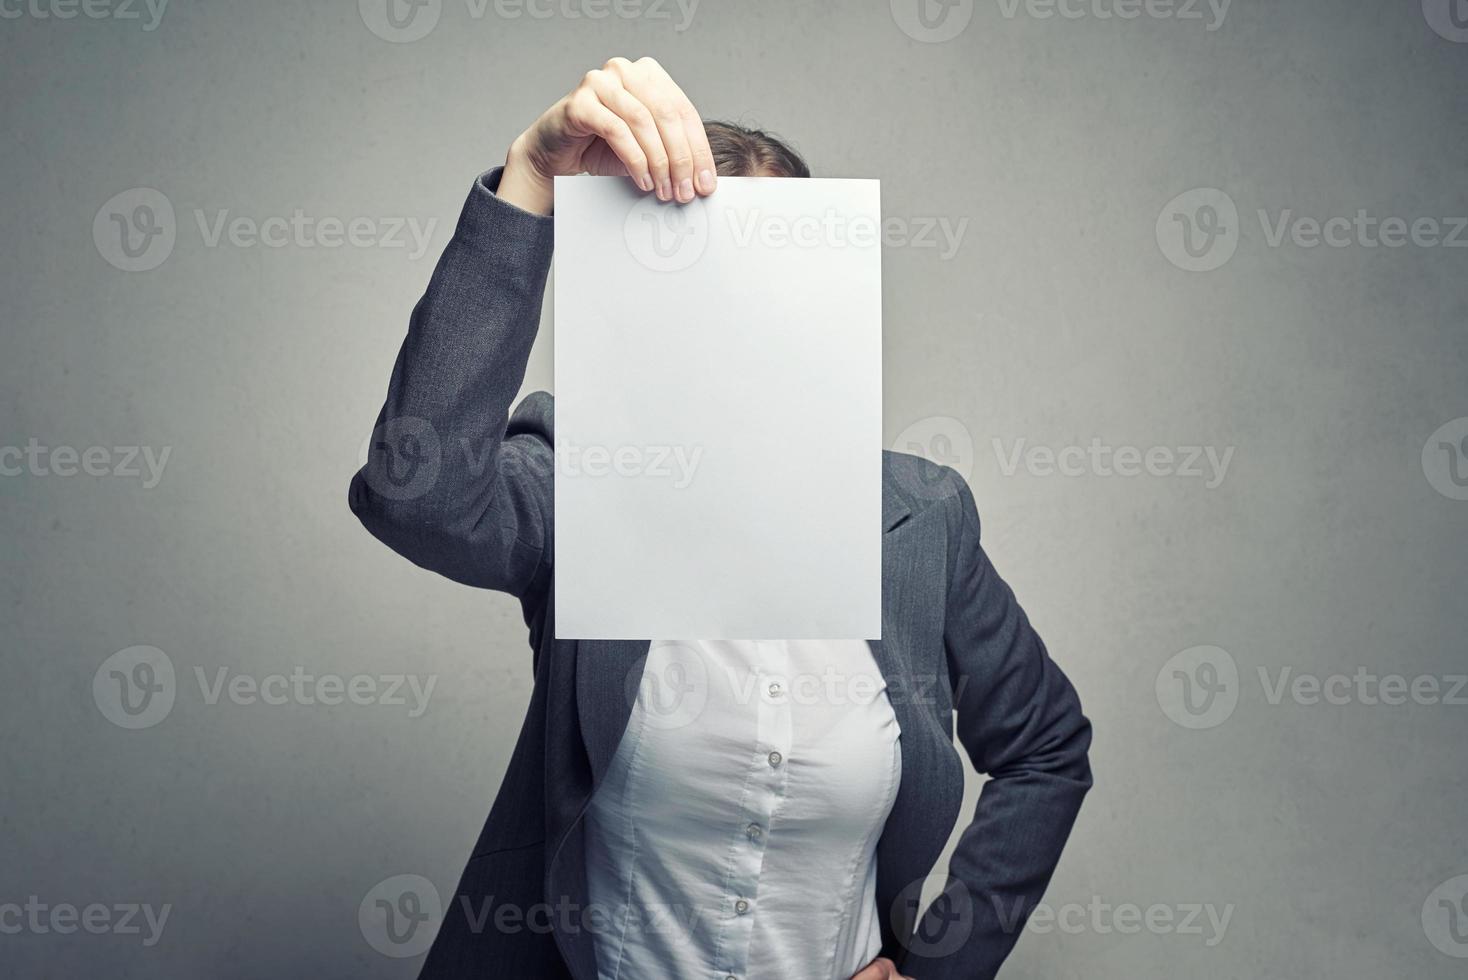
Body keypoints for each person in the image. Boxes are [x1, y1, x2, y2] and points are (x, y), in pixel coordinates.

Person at [349, 56, 1092, 980]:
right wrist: (532, 180)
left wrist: (942, 966)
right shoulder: (585, 486)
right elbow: (416, 499)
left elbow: (1046, 749)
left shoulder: (922, 520)